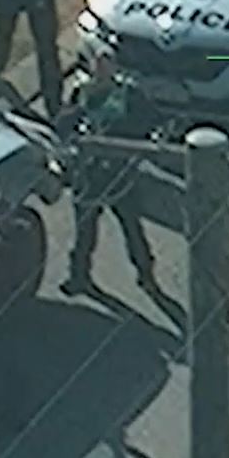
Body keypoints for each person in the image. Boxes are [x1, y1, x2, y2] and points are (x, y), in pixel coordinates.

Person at [57, 47, 161, 296]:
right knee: (84, 231)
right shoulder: (81, 92)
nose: (102, 70)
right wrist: (79, 113)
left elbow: (149, 125)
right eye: (98, 65)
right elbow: (61, 124)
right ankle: (78, 275)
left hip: (119, 174)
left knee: (131, 227)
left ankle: (145, 273)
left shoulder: (130, 95)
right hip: (88, 173)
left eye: (108, 64)